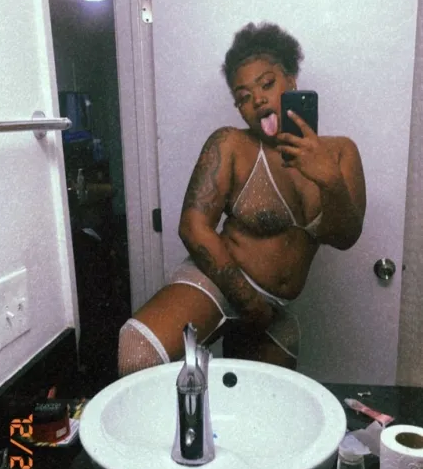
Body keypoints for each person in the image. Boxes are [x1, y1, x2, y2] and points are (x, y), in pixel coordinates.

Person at [118, 22, 366, 376]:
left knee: (264, 404)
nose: (257, 100)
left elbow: (345, 237)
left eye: (267, 84)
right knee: (137, 351)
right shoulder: (231, 144)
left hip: (275, 309)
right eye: (243, 97)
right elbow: (193, 227)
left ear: (291, 81)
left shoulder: (340, 152)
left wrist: (330, 180)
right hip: (218, 284)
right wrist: (250, 304)